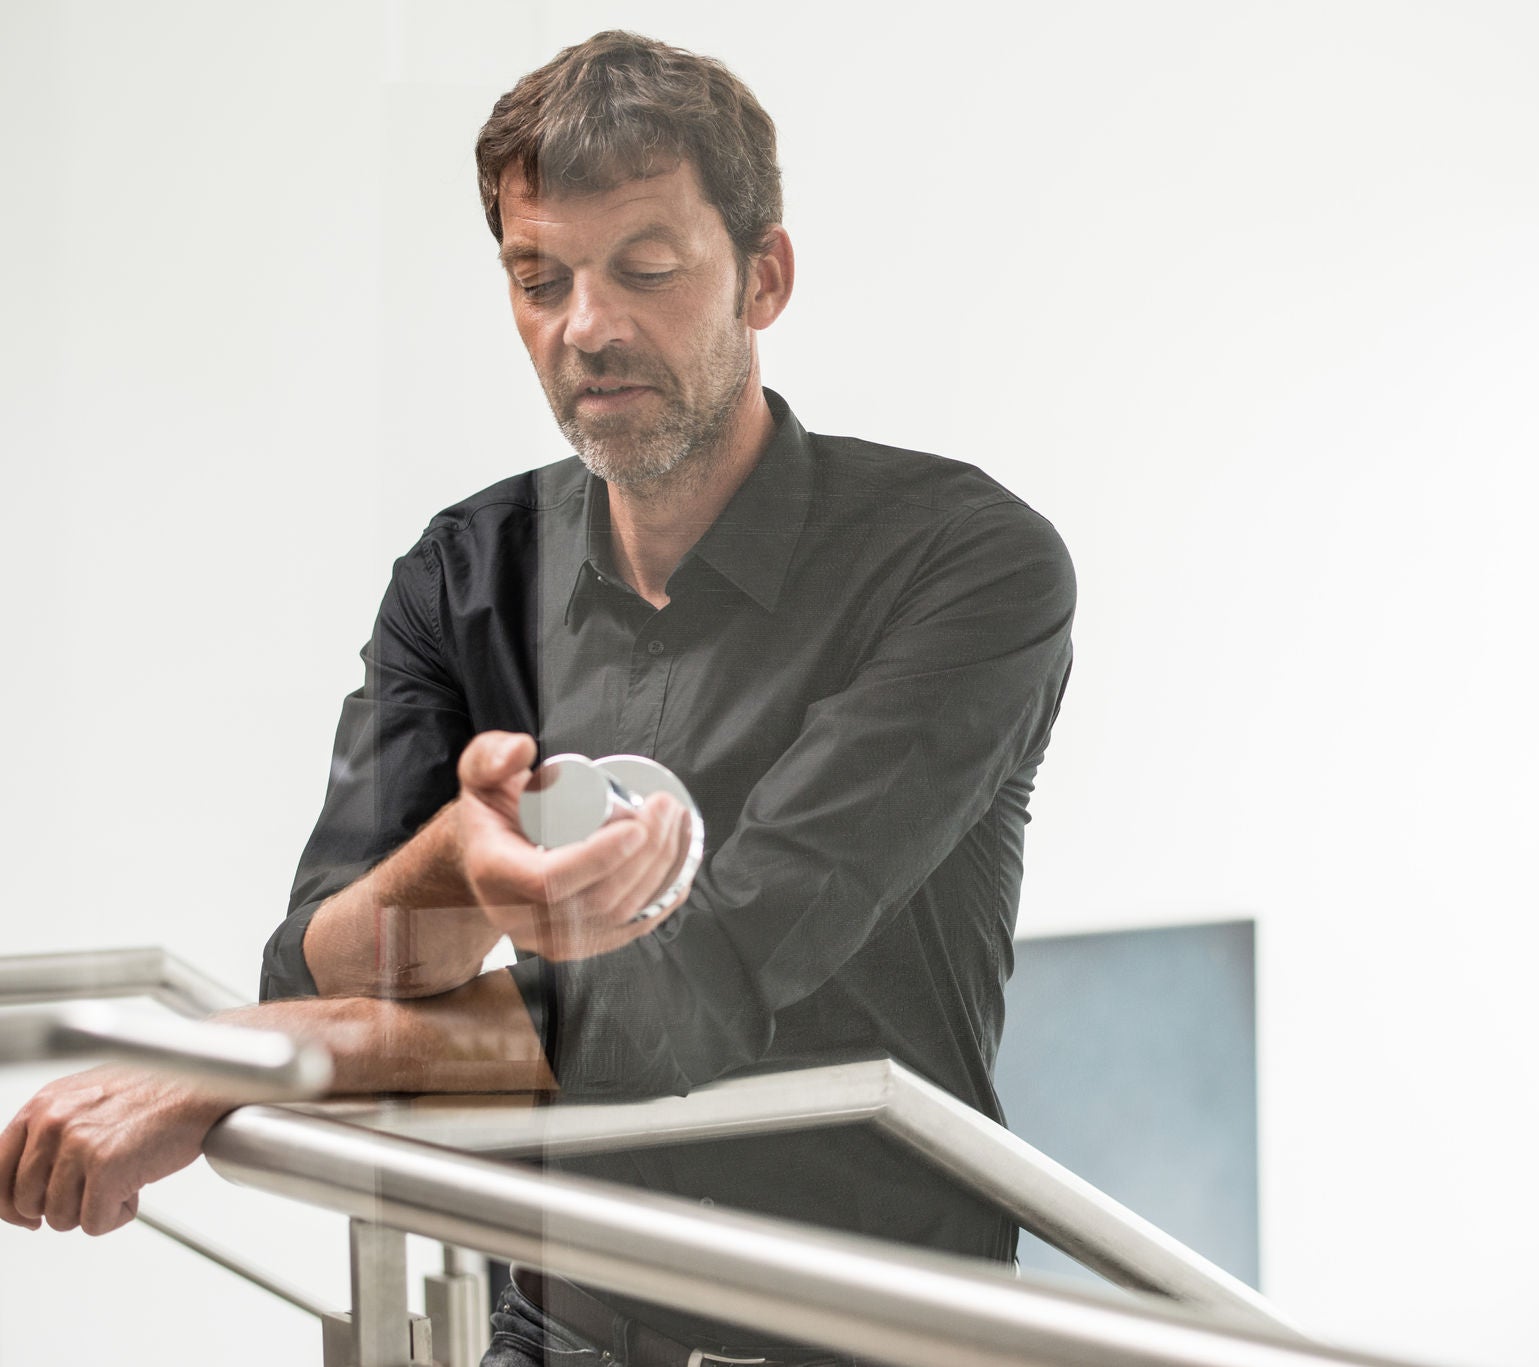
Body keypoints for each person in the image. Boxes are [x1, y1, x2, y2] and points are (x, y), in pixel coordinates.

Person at [0, 30, 1073, 1367]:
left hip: (877, 1340)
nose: (589, 328)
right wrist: (449, 879)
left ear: (765, 277)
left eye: (648, 268)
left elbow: (709, 981)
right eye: (539, 278)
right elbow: (319, 951)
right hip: (551, 1330)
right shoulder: (465, 577)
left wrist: (262, 1056)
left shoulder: (964, 563)